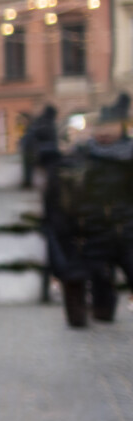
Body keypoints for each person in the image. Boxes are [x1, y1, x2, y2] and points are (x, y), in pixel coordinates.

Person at [48, 95, 133, 326]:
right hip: (94, 229)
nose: (105, 132)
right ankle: (100, 309)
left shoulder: (129, 157)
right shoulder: (83, 158)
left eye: (111, 126)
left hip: (127, 228)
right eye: (101, 127)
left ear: (122, 127)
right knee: (98, 276)